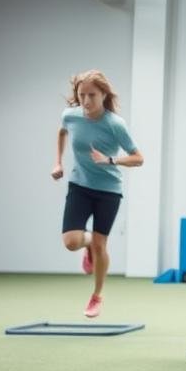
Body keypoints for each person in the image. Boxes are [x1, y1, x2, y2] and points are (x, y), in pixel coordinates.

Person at [52, 70, 143, 318]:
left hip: (108, 191)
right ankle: (88, 242)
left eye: (92, 95)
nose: (86, 101)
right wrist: (58, 163)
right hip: (79, 186)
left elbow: (138, 158)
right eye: (82, 95)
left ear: (103, 95)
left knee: (102, 244)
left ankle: (96, 296)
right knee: (71, 242)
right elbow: (62, 132)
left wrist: (110, 160)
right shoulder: (70, 116)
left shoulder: (115, 124)